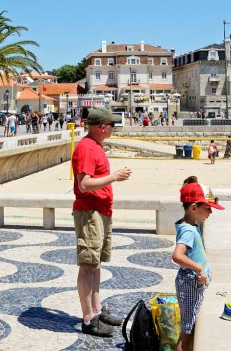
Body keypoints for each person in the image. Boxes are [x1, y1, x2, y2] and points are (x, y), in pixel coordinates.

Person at [72, 107, 132, 337]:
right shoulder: (87, 148)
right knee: (88, 265)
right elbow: (84, 184)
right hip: (90, 212)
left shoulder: (95, 146)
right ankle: (88, 318)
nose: (114, 128)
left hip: (100, 210)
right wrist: (114, 176)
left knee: (95, 264)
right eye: (112, 125)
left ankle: (97, 311)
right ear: (103, 127)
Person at [172, 181, 224, 350]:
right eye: (208, 208)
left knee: (191, 327)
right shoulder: (188, 230)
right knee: (187, 330)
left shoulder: (190, 225)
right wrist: (199, 269)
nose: (211, 212)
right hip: (190, 283)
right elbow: (177, 256)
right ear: (194, 207)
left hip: (193, 283)